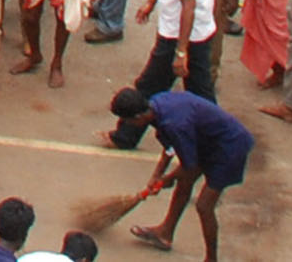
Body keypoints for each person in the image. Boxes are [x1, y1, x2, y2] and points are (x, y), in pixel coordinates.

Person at [106, 84, 251, 262]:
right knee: (184, 183)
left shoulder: (175, 124)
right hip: (207, 141)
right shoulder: (156, 104)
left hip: (230, 147)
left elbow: (189, 166)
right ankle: (165, 233)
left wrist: (167, 178)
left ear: (137, 117)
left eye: (127, 121)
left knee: (204, 206)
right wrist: (157, 175)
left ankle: (211, 259)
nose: (128, 125)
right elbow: (170, 147)